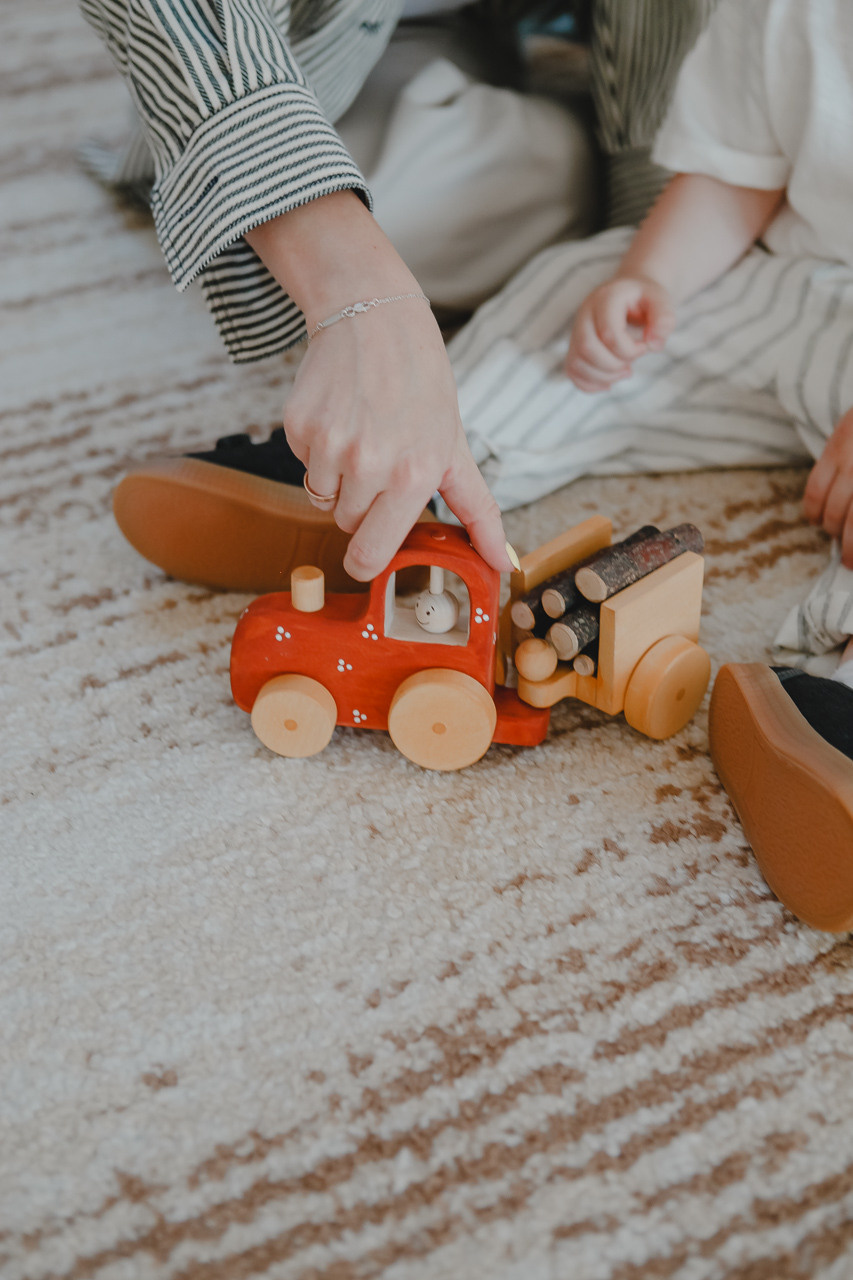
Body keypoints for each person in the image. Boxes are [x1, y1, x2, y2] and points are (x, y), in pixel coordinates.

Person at [442, 0, 853, 930]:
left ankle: (832, 720)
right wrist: (650, 281)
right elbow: (732, 175)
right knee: (577, 283)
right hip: (789, 286)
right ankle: (413, 460)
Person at [79, 0, 713, 592]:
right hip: (293, 50)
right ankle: (404, 453)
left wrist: (666, 213)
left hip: (479, 38)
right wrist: (359, 291)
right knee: (323, 222)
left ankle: (418, 456)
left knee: (590, 189)